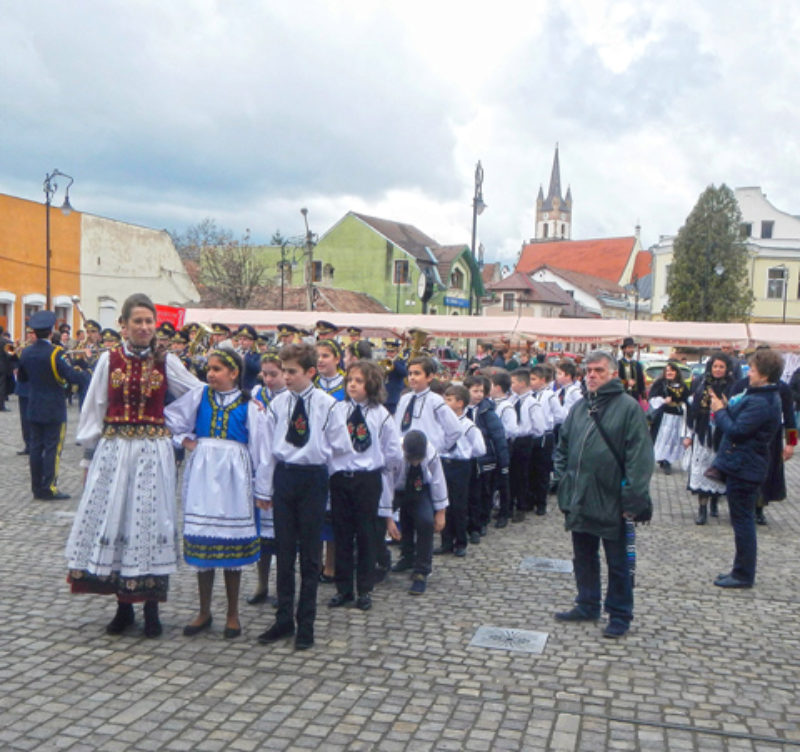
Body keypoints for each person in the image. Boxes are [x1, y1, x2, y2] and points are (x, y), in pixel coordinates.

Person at [65, 294, 201, 637]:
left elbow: (196, 392)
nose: (144, 327)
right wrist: (87, 455)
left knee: (150, 521)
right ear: (123, 325)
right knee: (118, 518)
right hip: (114, 450)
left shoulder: (166, 361)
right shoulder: (109, 360)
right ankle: (123, 607)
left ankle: (152, 608)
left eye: (148, 321)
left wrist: (176, 425)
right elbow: (95, 407)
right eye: (137, 321)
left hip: (153, 451)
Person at [254, 342, 351, 650]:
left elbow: (342, 446)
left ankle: (305, 623)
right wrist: (264, 489)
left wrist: (324, 472)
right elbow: (267, 450)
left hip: (312, 477)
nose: (285, 377)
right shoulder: (278, 404)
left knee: (310, 554)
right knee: (283, 551)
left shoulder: (328, 404)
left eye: (291, 372)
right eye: (283, 371)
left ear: (310, 372)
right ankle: (284, 619)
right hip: (285, 476)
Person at [164, 348, 265, 639]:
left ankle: (232, 613)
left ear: (234, 373)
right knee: (204, 543)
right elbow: (172, 416)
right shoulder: (200, 396)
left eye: (218, 369)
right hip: (204, 473)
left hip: (235, 476)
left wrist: (261, 486)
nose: (210, 374)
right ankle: (204, 610)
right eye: (209, 368)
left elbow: (259, 448)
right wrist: (184, 439)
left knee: (231, 543)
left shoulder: (250, 405)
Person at [553, 350, 654, 639]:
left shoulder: (628, 408)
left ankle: (620, 614)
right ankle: (587, 603)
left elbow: (640, 457)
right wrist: (563, 480)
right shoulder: (580, 406)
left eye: (598, 370)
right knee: (583, 555)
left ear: (612, 374)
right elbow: (563, 446)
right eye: (589, 371)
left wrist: (632, 498)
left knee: (618, 561)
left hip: (613, 498)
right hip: (580, 495)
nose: (592, 375)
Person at [328, 360, 402, 611]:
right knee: (342, 535)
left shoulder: (381, 415)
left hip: (367, 479)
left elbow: (392, 451)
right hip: (341, 478)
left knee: (367, 535)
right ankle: (344, 588)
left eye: (359, 381)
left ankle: (365, 589)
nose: (352, 385)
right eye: (350, 380)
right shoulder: (337, 410)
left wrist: (383, 474)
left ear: (371, 384)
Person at [709, 348, 783, 588]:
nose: (749, 373)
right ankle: (739, 569)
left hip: (745, 466)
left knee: (743, 522)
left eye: (752, 369)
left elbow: (737, 430)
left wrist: (719, 410)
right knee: (741, 520)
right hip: (743, 464)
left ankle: (743, 574)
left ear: (764, 374)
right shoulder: (759, 396)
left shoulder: (762, 401)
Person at [17, 311, 88, 500]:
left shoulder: (26, 352)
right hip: (54, 408)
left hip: (33, 406)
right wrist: (85, 367)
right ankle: (49, 487)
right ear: (50, 332)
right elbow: (72, 377)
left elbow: (22, 378)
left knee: (35, 448)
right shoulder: (56, 353)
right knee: (52, 449)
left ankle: (36, 488)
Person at [247, 349, 286, 606]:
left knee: (282, 536)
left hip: (281, 467)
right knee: (262, 535)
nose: (268, 379)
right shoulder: (255, 395)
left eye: (274, 374)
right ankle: (261, 583)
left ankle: (283, 585)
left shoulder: (290, 398)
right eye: (266, 374)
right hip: (258, 465)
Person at [390, 430, 448, 594]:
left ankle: (421, 570)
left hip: (421, 488)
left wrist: (441, 512)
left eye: (418, 459)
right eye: (411, 459)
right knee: (377, 521)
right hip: (397, 489)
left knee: (425, 521)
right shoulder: (394, 453)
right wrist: (387, 516)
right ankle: (394, 558)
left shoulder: (430, 453)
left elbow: (438, 480)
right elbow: (387, 483)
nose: (415, 462)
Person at [682, 353, 735, 525]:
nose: (718, 370)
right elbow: (691, 410)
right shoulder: (700, 383)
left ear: (727, 369)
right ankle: (702, 509)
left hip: (722, 433)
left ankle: (715, 502)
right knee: (702, 470)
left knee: (718, 471)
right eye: (715, 366)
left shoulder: (733, 386)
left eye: (721, 367)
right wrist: (688, 435)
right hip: (703, 432)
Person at [435, 384, 485, 557]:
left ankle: (460, 542)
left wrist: (466, 454)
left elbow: (480, 448)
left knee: (459, 505)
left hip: (460, 465)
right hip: (443, 463)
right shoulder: (441, 423)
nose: (445, 403)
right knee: (444, 503)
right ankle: (446, 541)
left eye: (449, 400)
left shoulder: (468, 425)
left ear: (460, 403)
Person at [463, 374, 509, 543]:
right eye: (475, 391)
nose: (479, 395)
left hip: (485, 459)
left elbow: (498, 436)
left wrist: (503, 463)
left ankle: (480, 523)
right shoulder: (460, 410)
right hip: (465, 459)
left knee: (483, 493)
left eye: (481, 391)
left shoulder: (487, 411)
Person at [394, 356, 462, 454]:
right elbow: (397, 426)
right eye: (410, 374)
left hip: (428, 454)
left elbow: (455, 429)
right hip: (405, 453)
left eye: (417, 373)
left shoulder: (435, 401)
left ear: (429, 377)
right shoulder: (404, 399)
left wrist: (440, 448)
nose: (412, 377)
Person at [648, 362, 690, 475]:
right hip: (663, 416)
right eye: (667, 371)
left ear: (676, 372)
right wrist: (663, 400)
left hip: (677, 416)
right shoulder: (660, 384)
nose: (669, 373)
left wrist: (685, 405)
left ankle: (667, 461)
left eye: (672, 370)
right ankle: (659, 458)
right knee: (661, 438)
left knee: (672, 439)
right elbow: (652, 398)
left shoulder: (682, 385)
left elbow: (687, 398)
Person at [618, 337, 646, 402]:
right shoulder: (619, 364)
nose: (632, 349)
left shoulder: (637, 364)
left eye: (633, 347)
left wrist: (643, 397)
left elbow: (641, 381)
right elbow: (616, 380)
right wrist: (626, 382)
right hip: (622, 396)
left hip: (635, 397)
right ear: (624, 349)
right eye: (629, 347)